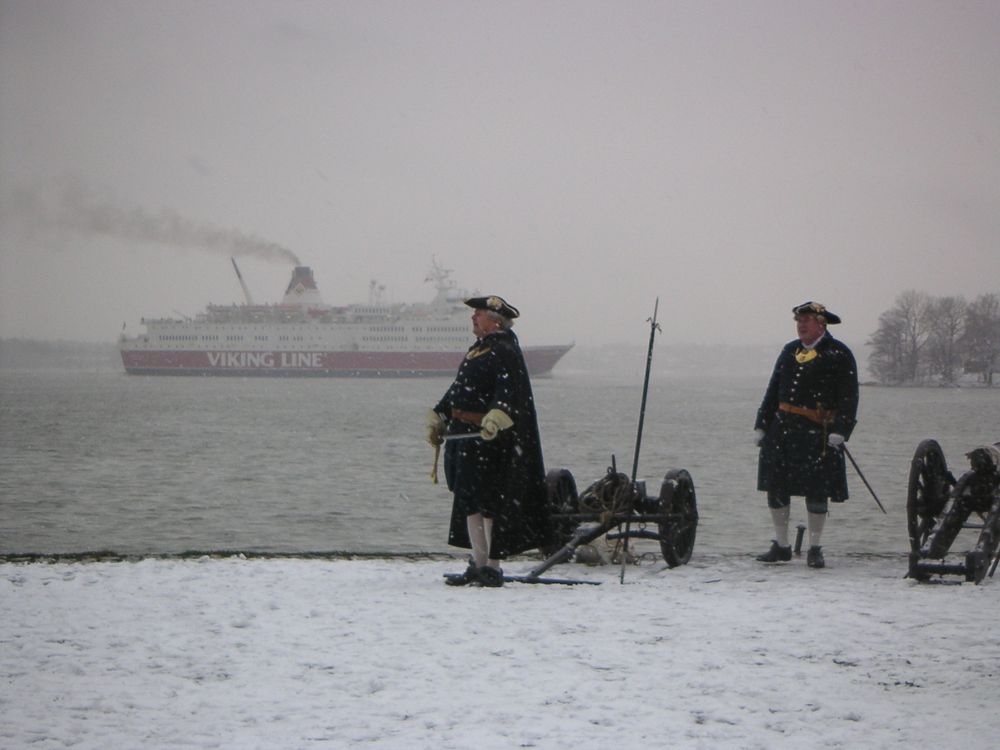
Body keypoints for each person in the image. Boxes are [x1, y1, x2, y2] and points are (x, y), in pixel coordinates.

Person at [425, 295, 552, 586]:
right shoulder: (478, 350)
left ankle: (492, 565)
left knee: (490, 503)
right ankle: (478, 562)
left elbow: (509, 390)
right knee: (470, 502)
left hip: (489, 440)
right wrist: (440, 414)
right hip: (465, 437)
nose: (473, 318)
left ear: (495, 320)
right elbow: (458, 390)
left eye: (478, 314)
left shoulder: (505, 350)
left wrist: (497, 414)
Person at [753, 301, 859, 569]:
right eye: (798, 320)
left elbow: (849, 396)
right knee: (776, 487)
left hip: (816, 433)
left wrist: (841, 430)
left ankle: (814, 547)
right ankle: (782, 545)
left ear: (821, 324)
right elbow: (773, 389)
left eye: (807, 320)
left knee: (816, 490)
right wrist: (762, 424)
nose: (801, 325)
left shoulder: (839, 353)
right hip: (782, 431)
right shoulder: (790, 350)